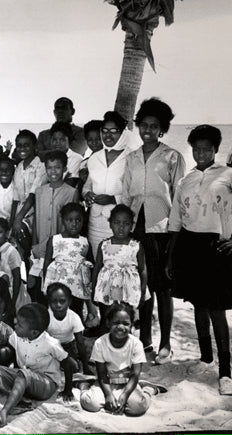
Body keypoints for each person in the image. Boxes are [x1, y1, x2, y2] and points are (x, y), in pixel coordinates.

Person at [166, 125, 232, 395]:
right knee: (198, 304)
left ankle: (226, 372)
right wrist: (171, 257)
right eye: (196, 148)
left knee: (217, 308)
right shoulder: (186, 180)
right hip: (189, 245)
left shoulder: (228, 175)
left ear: (216, 149)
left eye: (206, 148)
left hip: (218, 246)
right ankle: (206, 358)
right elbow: (176, 221)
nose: (201, 152)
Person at [122, 97, 185, 363]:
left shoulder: (172, 157)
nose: (147, 130)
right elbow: (126, 195)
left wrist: (174, 234)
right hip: (136, 229)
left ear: (162, 129)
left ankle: (165, 343)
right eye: (143, 125)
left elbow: (180, 197)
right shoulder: (132, 158)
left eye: (154, 126)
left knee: (163, 288)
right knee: (141, 287)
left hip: (162, 230)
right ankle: (145, 340)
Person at [0, 303, 75, 433]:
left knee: (23, 374)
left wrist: (68, 389)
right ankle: (21, 399)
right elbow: (9, 349)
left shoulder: (50, 343)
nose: (15, 324)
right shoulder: (17, 336)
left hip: (46, 383)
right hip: (23, 377)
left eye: (19, 324)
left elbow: (67, 362)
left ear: (34, 332)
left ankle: (2, 415)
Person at [80, 303, 167, 415]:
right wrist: (108, 395)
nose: (121, 327)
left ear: (131, 325)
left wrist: (125, 394)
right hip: (106, 383)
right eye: (116, 323)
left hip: (129, 384)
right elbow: (101, 373)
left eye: (126, 324)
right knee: (90, 404)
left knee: (138, 407)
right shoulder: (100, 343)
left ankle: (149, 389)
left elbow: (135, 375)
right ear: (108, 323)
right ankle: (84, 386)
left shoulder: (136, 344)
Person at [83, 111, 135, 257]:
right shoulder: (94, 158)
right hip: (95, 223)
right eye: (104, 131)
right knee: (98, 261)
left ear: (123, 133)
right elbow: (88, 185)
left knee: (117, 262)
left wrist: (113, 199)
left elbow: (135, 191)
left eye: (114, 131)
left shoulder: (132, 157)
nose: (108, 135)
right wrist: (87, 194)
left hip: (120, 223)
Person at [30, 152, 80, 296]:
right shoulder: (39, 191)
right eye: (49, 167)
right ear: (45, 169)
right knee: (40, 286)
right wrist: (34, 244)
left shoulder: (72, 192)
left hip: (60, 249)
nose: (53, 171)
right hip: (40, 246)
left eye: (57, 167)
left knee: (58, 285)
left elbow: (73, 223)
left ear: (64, 168)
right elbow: (36, 219)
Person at [92, 205, 147, 329]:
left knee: (125, 319)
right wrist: (93, 288)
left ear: (131, 225)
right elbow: (97, 267)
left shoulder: (136, 246)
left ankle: (126, 346)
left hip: (128, 290)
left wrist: (142, 293)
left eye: (126, 223)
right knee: (106, 320)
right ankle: (104, 345)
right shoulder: (104, 245)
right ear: (110, 224)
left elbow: (143, 270)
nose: (121, 227)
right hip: (106, 288)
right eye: (117, 223)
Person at [42, 202, 94, 320]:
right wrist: (46, 283)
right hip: (58, 281)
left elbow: (91, 263)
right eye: (69, 220)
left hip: (78, 284)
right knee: (57, 309)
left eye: (78, 220)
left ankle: (76, 334)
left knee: (76, 310)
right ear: (63, 220)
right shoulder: (54, 240)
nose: (74, 224)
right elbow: (47, 263)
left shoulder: (85, 241)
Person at [45, 283, 91, 374]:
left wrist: (86, 368)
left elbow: (80, 343)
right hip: (50, 347)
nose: (58, 305)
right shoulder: (46, 316)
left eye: (62, 301)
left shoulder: (74, 317)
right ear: (49, 302)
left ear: (69, 302)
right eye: (54, 301)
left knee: (74, 368)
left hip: (68, 346)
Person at [10, 129, 47, 240]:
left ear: (34, 146)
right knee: (14, 234)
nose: (22, 149)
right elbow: (15, 199)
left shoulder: (41, 166)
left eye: (26, 145)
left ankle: (28, 257)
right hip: (20, 212)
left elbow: (33, 195)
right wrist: (12, 221)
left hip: (35, 212)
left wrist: (18, 219)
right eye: (19, 146)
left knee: (22, 231)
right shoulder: (18, 168)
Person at [0, 217, 22, 303]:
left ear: (7, 234)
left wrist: (13, 300)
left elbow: (17, 277)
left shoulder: (11, 251)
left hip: (11, 293)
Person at [47, 122, 83, 186]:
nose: (58, 143)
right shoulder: (48, 158)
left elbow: (69, 185)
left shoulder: (76, 158)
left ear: (69, 140)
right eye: (54, 139)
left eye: (62, 140)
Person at [79, 120, 104, 188]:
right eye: (90, 139)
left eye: (98, 139)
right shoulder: (84, 164)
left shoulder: (111, 161)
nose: (94, 143)